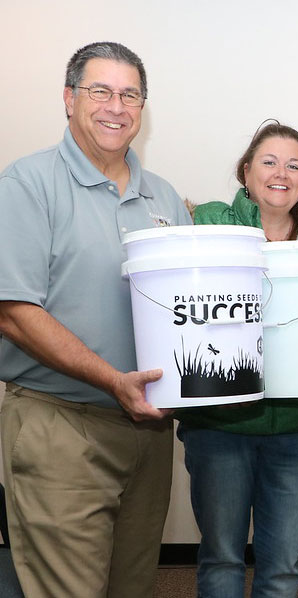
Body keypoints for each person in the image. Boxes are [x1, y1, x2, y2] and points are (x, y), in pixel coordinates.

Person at [0, 41, 191, 597]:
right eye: (100, 91)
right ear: (69, 99)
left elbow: (189, 311)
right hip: (60, 426)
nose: (116, 106)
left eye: (130, 94)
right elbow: (13, 313)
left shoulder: (165, 199)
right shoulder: (27, 184)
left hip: (149, 431)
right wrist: (112, 381)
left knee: (131, 587)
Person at [177, 121, 298, 597]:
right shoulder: (207, 221)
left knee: (284, 565)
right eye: (269, 162)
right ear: (246, 172)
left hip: (295, 426)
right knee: (222, 558)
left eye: (294, 165)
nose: (281, 173)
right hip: (219, 428)